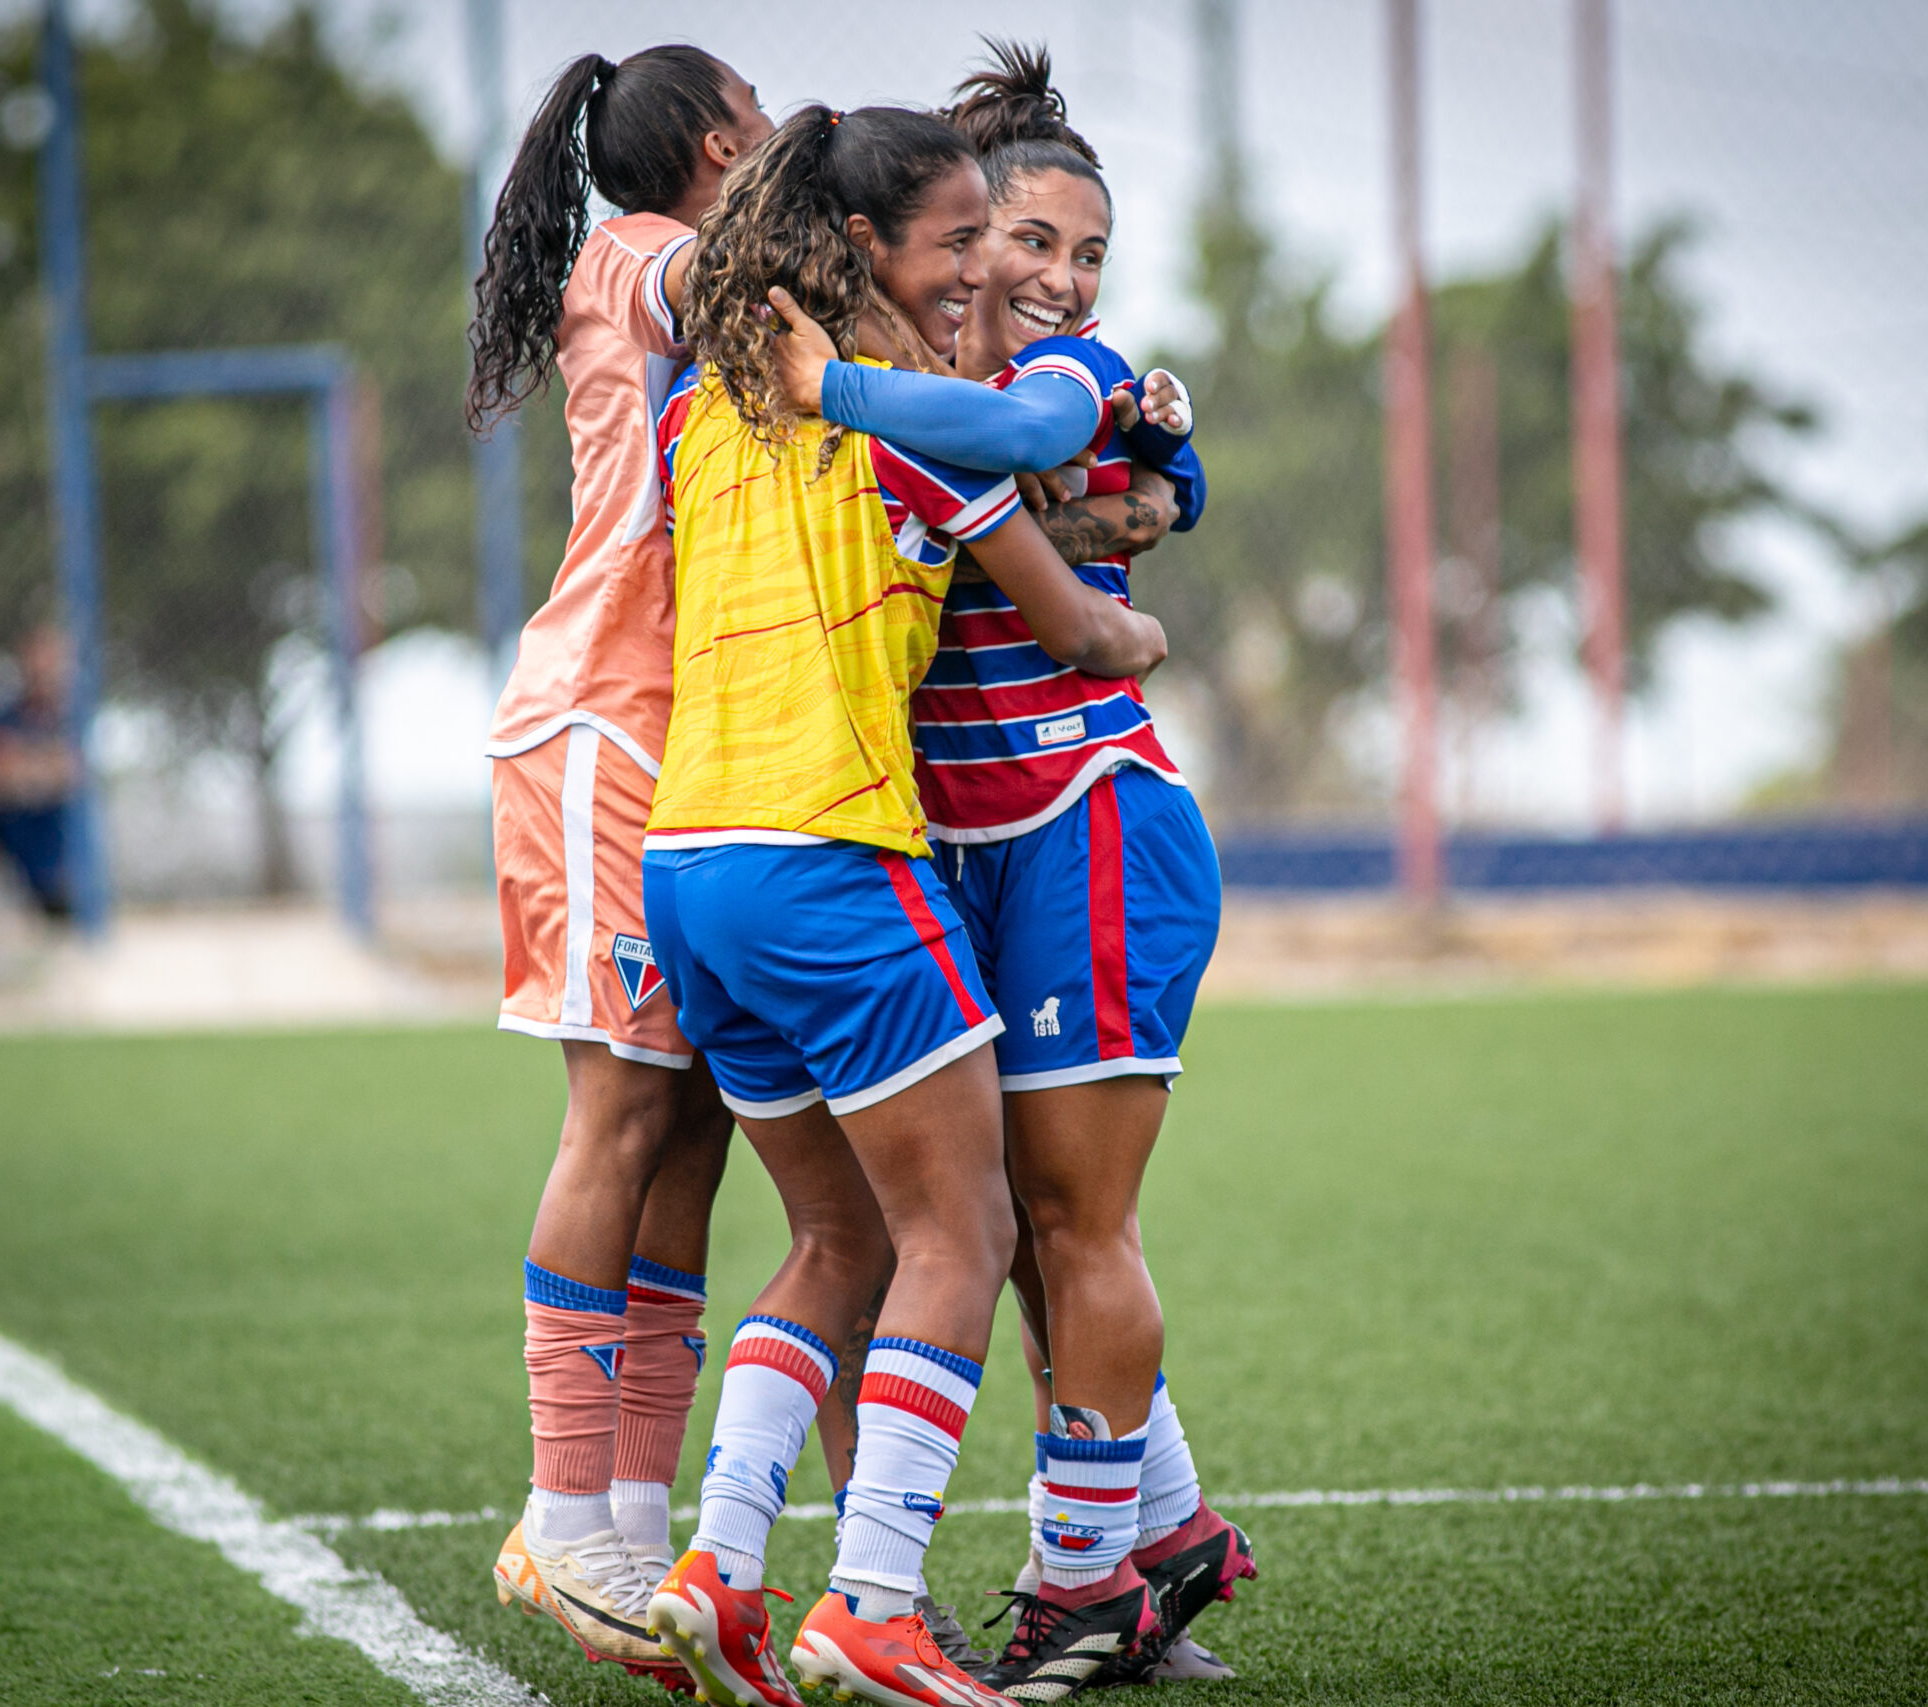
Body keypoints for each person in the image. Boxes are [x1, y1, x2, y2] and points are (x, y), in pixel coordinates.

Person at [637, 104, 1165, 1707]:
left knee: (833, 1231)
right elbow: (1077, 619)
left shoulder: (691, 415)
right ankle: (872, 1596)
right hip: (835, 855)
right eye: (957, 244)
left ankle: (720, 1564)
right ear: (866, 247)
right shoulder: (918, 431)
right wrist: (1127, 604)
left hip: (691, 866)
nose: (983, 275)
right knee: (970, 1226)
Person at [769, 45, 1253, 1694]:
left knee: (1070, 1215)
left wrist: (1143, 482)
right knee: (1014, 1222)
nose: (1058, 276)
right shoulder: (902, 375)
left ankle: (1079, 1587)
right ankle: (1164, 1536)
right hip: (939, 849)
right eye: (1026, 240)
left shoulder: (1058, 382)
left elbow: (1090, 445)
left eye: (1086, 251)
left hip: (1089, 822)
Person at [464, 44, 773, 1687]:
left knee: (694, 1126)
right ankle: (559, 1509)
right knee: (620, 1110)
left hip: (693, 743)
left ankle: (633, 1515)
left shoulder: (653, 259)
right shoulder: (650, 252)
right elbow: (782, 288)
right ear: (724, 142)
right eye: (774, 122)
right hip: (606, 732)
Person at [0, 623, 78, 920]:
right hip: (21, 835)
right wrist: (46, 768)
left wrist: (29, 766)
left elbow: (74, 771)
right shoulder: (6, 715)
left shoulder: (71, 716)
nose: (45, 668)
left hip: (60, 837)